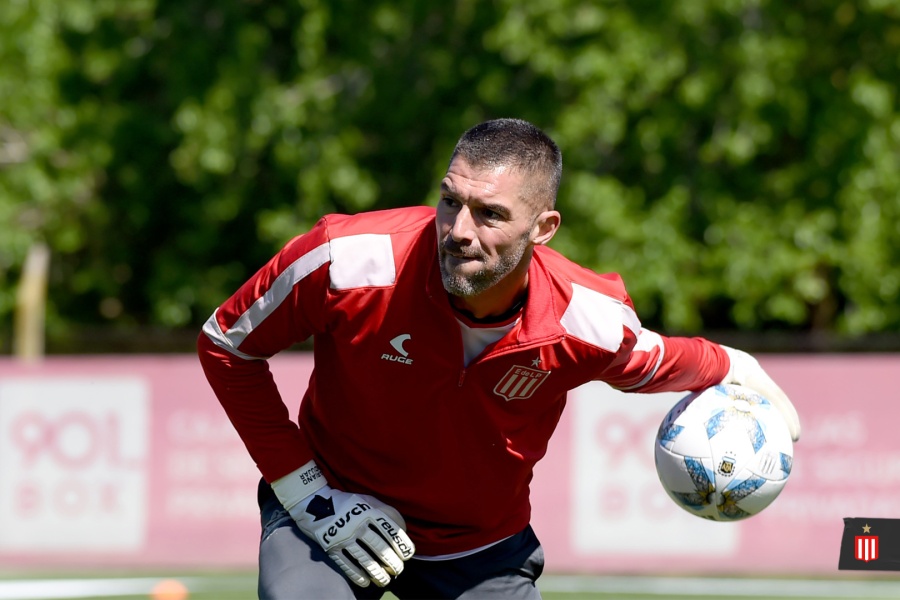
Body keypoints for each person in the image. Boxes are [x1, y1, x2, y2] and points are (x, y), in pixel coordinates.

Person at [198, 118, 801, 599]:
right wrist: (308, 495)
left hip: (478, 547)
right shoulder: (347, 260)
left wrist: (736, 367)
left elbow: (661, 359)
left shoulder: (585, 318)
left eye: (490, 214)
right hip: (325, 508)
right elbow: (225, 343)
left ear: (544, 228)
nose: (460, 229)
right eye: (450, 201)